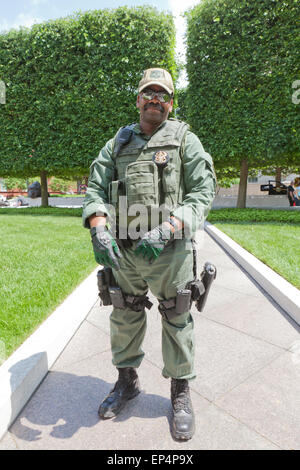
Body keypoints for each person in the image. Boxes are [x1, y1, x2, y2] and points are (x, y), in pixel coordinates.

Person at [82, 68, 216, 441]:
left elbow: (202, 194)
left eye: (163, 95)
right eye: (148, 93)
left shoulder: (185, 139)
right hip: (124, 251)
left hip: (170, 250)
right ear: (138, 99)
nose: (155, 100)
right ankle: (127, 381)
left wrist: (168, 228)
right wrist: (98, 226)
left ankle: (180, 392)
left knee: (176, 316)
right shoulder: (117, 143)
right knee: (124, 312)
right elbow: (95, 187)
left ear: (171, 103)